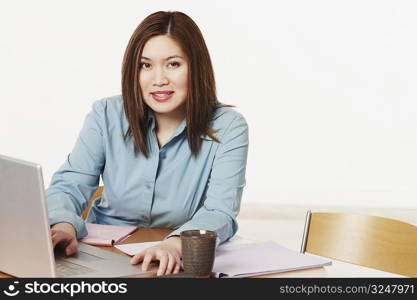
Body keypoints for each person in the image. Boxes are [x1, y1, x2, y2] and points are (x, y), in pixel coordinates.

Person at [46, 11, 249, 276]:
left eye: (173, 64)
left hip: (174, 261)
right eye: (146, 65)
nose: (159, 79)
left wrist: (177, 245)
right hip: (98, 255)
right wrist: (62, 225)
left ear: (196, 68)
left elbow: (219, 211)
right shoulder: (106, 114)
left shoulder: (229, 126)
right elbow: (70, 183)